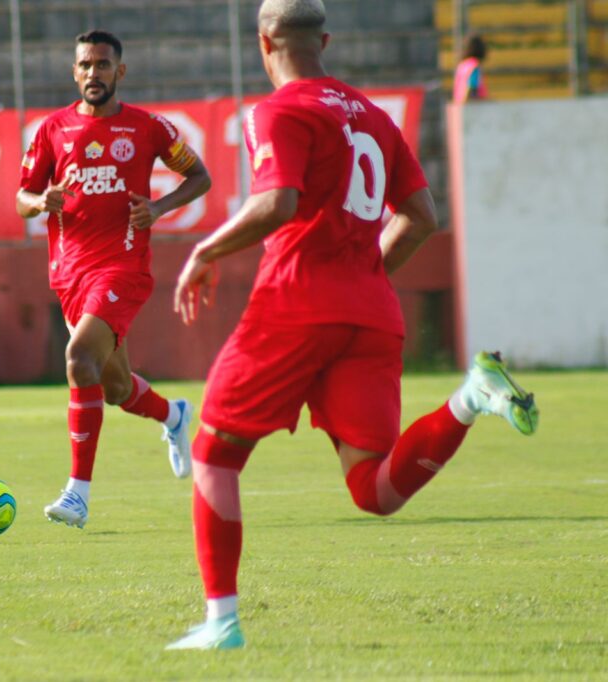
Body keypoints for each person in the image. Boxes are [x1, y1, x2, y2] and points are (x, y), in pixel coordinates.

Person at [165, 0, 538, 650]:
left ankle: (221, 622)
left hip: (295, 304)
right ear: (326, 41)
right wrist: (364, 275)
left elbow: (276, 203)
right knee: (376, 489)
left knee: (213, 454)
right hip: (370, 311)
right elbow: (422, 215)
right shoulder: (373, 115)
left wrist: (206, 250)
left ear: (263, 43)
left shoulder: (277, 110)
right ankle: (472, 396)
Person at [16, 30, 212, 529]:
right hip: (69, 274)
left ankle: (77, 494)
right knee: (118, 387)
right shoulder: (51, 130)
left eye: (103, 65)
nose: (93, 73)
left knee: (79, 358)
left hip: (123, 267)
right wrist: (41, 202)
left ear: (119, 72)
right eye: (85, 64)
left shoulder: (147, 128)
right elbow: (22, 196)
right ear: (74, 71)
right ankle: (174, 416)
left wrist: (159, 207)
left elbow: (200, 176)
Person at [453, 33, 489, 103]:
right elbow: (472, 87)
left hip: (459, 106)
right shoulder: (474, 66)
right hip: (471, 109)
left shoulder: (462, 66)